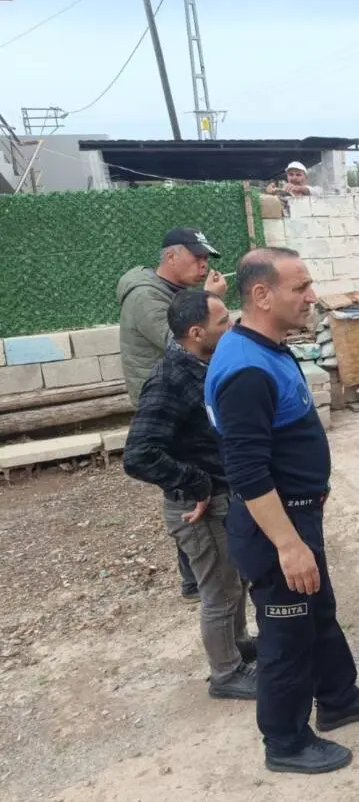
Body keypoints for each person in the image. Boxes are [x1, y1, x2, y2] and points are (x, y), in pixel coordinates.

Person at [205, 247, 359, 774]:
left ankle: (338, 697)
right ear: (262, 295)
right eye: (301, 287)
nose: (312, 297)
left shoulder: (266, 347)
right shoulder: (245, 369)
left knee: (319, 611)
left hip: (297, 513)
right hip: (275, 527)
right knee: (286, 636)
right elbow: (245, 470)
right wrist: (288, 544)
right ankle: (285, 743)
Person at [123, 289, 257, 701]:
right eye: (223, 322)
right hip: (197, 508)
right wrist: (196, 483)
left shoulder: (199, 365)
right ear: (197, 332)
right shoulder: (170, 379)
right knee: (218, 590)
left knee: (233, 581)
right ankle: (226, 673)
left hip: (220, 498)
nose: (232, 326)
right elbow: (139, 454)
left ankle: (238, 644)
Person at [118, 227, 228, 603]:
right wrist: (208, 300)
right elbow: (179, 340)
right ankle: (195, 581)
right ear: (171, 257)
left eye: (206, 259)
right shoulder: (145, 296)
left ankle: (199, 577)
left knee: (196, 491)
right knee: (185, 493)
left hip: (182, 398)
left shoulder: (175, 292)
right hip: (166, 401)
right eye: (196, 258)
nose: (203, 265)